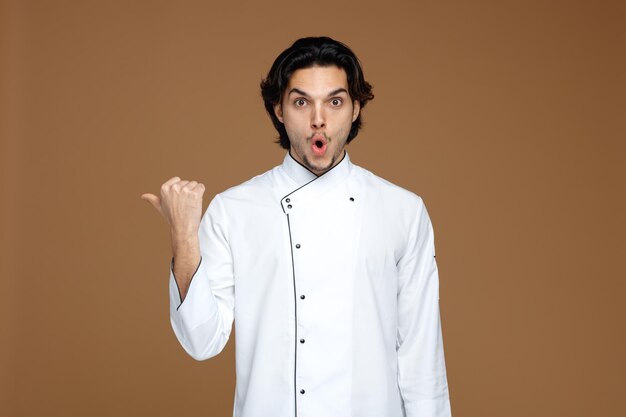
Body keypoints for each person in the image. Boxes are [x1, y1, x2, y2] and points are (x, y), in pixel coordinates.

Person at [142, 36, 452, 417]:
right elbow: (201, 340)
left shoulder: (403, 210)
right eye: (301, 102)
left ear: (356, 109)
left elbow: (422, 361)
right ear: (279, 110)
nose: (318, 119)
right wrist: (184, 235)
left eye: (335, 102)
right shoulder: (234, 209)